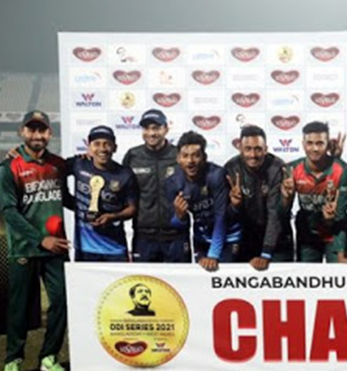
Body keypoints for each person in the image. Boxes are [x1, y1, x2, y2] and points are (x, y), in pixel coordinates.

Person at [0, 110, 69, 371]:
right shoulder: (9, 167)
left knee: (60, 302)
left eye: (43, 130)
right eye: (32, 130)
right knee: (20, 308)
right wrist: (40, 239)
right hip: (25, 248)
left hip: (56, 248)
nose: (37, 135)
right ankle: (13, 360)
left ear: (50, 133)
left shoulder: (58, 165)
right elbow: (9, 212)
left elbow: (70, 193)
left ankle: (49, 357)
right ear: (22, 133)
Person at [165, 131, 241, 272]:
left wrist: (213, 255)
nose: (190, 161)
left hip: (228, 237)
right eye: (185, 156)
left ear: (204, 157)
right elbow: (175, 223)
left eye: (196, 155)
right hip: (202, 239)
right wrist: (180, 216)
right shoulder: (172, 182)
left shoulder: (216, 175)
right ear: (178, 158)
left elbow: (221, 217)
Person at [122, 109, 190, 263]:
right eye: (147, 128)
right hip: (144, 236)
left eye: (156, 128)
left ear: (166, 129)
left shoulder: (179, 155)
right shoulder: (133, 156)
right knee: (146, 284)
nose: (151, 133)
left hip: (176, 235)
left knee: (179, 285)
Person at [224, 125, 293, 270]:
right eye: (247, 149)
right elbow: (225, 215)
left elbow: (275, 214)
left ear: (266, 149)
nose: (253, 155)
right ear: (240, 148)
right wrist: (234, 206)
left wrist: (266, 253)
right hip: (245, 238)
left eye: (258, 149)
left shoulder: (277, 167)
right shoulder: (231, 168)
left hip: (277, 240)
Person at [281, 121, 347, 262]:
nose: (314, 148)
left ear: (328, 144)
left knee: (339, 278)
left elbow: (341, 214)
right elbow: (282, 213)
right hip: (307, 234)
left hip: (336, 232)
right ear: (303, 144)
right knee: (307, 279)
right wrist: (285, 199)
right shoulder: (292, 169)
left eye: (320, 143)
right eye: (310, 143)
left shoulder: (342, 170)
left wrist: (329, 219)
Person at [67, 125, 138, 262]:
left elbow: (132, 209)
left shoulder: (125, 174)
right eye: (97, 144)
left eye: (107, 144)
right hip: (84, 248)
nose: (102, 149)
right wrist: (71, 202)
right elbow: (54, 169)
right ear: (89, 147)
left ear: (115, 147)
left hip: (115, 249)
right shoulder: (78, 164)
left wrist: (112, 217)